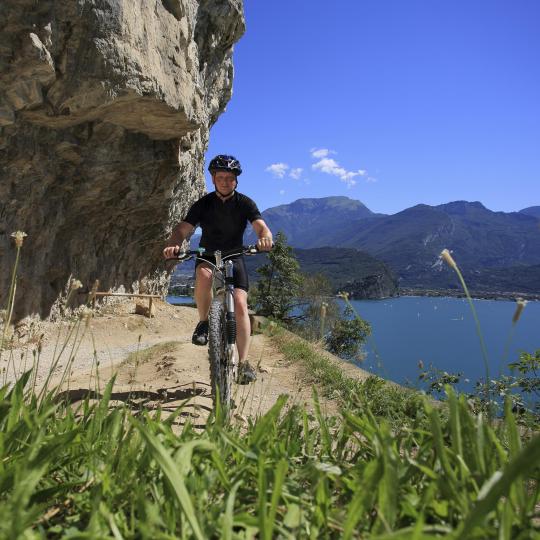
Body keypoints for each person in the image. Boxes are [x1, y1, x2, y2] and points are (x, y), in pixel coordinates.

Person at [163, 155, 273, 384]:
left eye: (230, 178)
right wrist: (174, 243)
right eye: (220, 177)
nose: (225, 182)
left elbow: (261, 227)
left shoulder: (245, 203)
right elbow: (183, 229)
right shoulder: (203, 204)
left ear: (236, 181)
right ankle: (204, 322)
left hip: (235, 254)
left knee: (241, 305)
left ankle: (243, 363)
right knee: (203, 276)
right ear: (213, 179)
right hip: (208, 254)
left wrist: (265, 238)